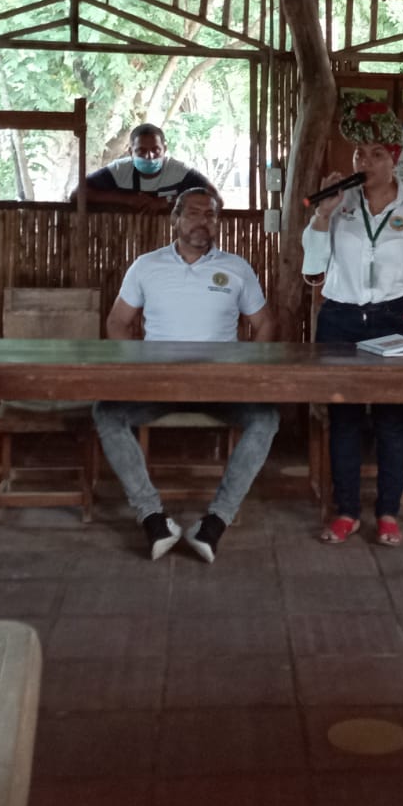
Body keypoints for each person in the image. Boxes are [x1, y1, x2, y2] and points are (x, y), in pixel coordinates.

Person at [94, 188, 279, 562]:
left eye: (210, 215)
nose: (202, 221)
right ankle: (152, 518)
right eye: (193, 213)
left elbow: (265, 323)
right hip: (159, 384)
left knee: (266, 418)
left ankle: (216, 521)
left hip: (221, 386)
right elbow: (117, 322)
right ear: (175, 219)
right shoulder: (146, 266)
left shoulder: (236, 268)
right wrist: (138, 368)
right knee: (106, 412)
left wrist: (247, 371)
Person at [304, 95, 403, 548]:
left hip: (394, 317)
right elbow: (313, 268)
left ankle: (387, 512)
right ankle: (346, 511)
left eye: (376, 154)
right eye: (359, 154)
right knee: (343, 417)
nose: (364, 162)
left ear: (394, 159)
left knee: (391, 418)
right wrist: (323, 215)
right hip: (340, 318)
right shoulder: (338, 203)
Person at [77, 123, 215, 214]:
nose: (149, 156)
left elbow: (215, 198)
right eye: (141, 151)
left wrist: (167, 202)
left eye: (156, 150)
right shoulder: (119, 170)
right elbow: (77, 194)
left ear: (165, 149)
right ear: (131, 152)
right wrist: (126, 199)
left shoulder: (179, 171)